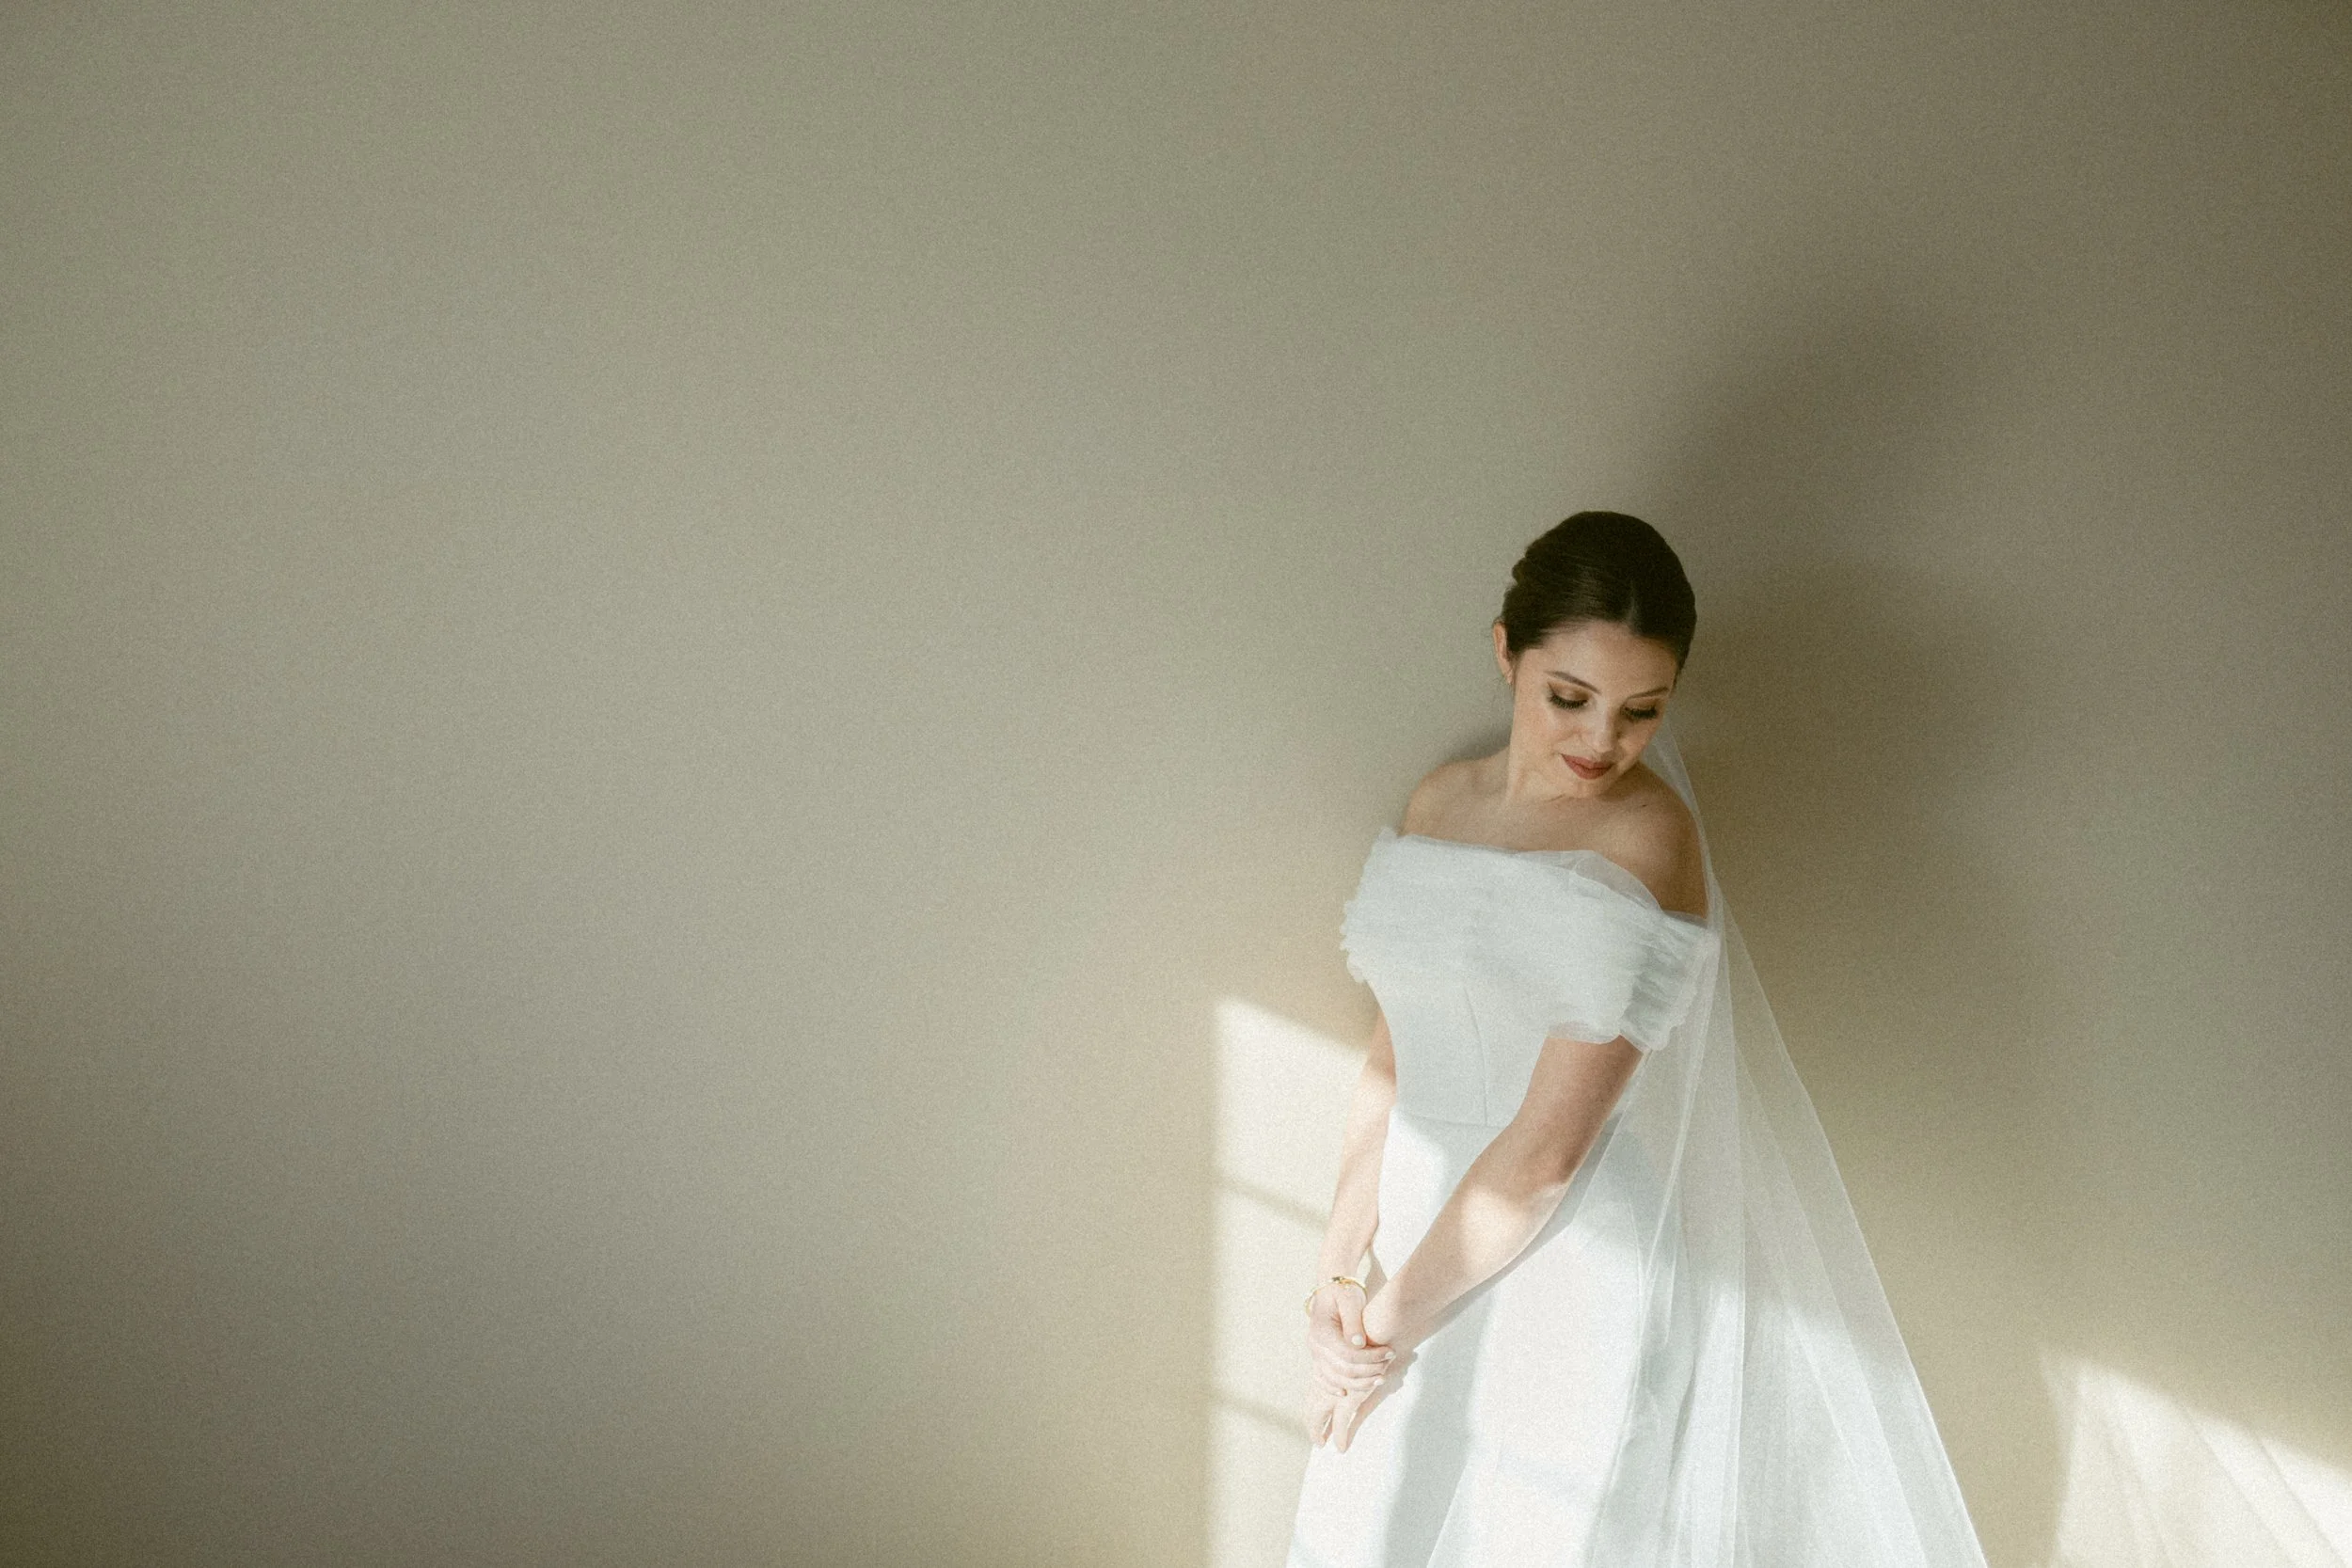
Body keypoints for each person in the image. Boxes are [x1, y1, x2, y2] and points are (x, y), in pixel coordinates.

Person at [1283, 514, 1989, 1568]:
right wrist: (1339, 1276)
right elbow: (1393, 1045)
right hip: (1410, 1250)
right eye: (1569, 696)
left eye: (1641, 711)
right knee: (1363, 1528)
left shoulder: (1647, 837)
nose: (1600, 741)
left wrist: (1379, 1329)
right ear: (1504, 652)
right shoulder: (1439, 801)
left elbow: (1544, 1155)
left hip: (1566, 1257)